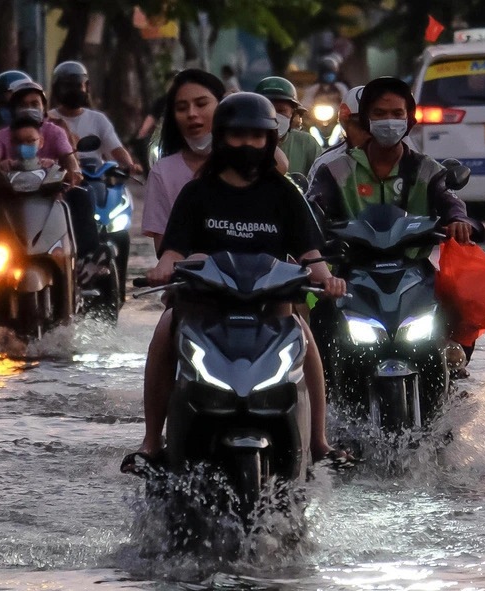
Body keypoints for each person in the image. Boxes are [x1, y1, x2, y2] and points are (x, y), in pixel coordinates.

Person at [124, 92, 348, 472]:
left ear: (270, 140)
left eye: (256, 136)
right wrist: (165, 268)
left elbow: (310, 255)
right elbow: (173, 252)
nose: (248, 144)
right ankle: (150, 441)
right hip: (204, 306)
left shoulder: (284, 194)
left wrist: (328, 280)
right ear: (222, 138)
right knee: (164, 328)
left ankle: (319, 442)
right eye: (238, 136)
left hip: (272, 308)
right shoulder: (197, 192)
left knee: (305, 338)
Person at [307, 77, 479, 364]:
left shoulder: (426, 168)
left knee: (460, 301)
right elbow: (313, 209)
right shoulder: (334, 170)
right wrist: (315, 232)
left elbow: (448, 199)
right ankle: (327, 393)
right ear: (366, 120)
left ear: (409, 119)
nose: (389, 121)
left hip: (412, 267)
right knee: (322, 318)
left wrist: (459, 220)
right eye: (380, 114)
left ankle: (455, 364)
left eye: (397, 114)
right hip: (352, 270)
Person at [0, 80, 99, 287]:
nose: (29, 108)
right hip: (10, 201)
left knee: (82, 195)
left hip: (52, 197)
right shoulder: (0, 135)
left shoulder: (55, 132)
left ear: (44, 107)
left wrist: (74, 172)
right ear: (13, 109)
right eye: (23, 104)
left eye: (35, 103)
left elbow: (68, 157)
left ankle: (84, 260)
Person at [141, 68, 224, 252]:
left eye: (201, 104)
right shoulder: (162, 172)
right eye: (181, 108)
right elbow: (163, 249)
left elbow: (280, 166)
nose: (192, 114)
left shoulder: (244, 163)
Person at [48, 60, 139, 173]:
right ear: (57, 89)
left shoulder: (98, 119)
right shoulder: (49, 120)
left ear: (87, 87)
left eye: (77, 86)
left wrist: (129, 165)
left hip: (95, 178)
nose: (73, 91)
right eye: (68, 86)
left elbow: (116, 148)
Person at [255, 75, 321, 175]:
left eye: (281, 111)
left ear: (293, 114)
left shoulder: (306, 143)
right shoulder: (246, 141)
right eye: (267, 109)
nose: (274, 116)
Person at [306, 84, 368, 183]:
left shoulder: (341, 87)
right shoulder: (325, 164)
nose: (367, 131)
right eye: (358, 125)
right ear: (344, 121)